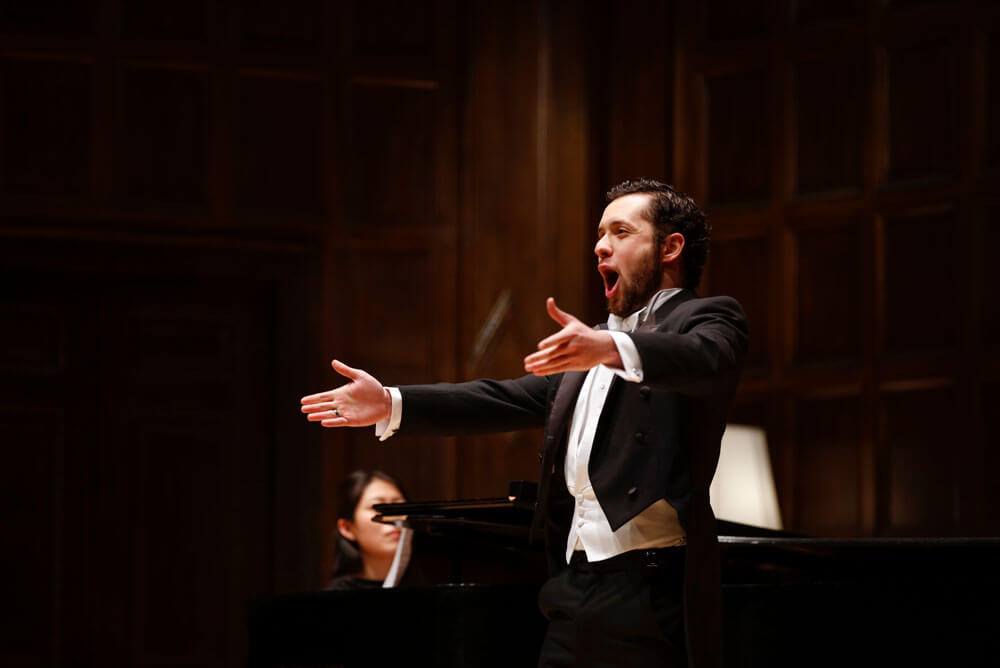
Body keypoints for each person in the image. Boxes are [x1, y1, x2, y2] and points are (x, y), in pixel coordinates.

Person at [301, 179, 748, 668]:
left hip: (652, 589)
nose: (601, 245)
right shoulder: (592, 345)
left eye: (621, 231)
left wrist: (616, 349)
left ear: (671, 247)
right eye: (600, 234)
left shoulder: (708, 319)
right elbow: (501, 398)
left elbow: (705, 359)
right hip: (571, 586)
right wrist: (391, 402)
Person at [325, 469, 408, 591]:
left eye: (399, 505)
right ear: (347, 528)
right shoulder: (336, 597)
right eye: (377, 507)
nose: (393, 517)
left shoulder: (433, 586)